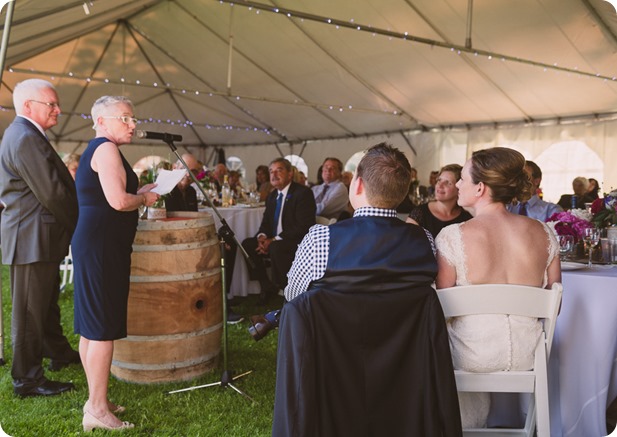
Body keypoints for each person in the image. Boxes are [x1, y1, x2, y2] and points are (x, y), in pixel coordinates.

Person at [272, 143, 461, 436]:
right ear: (401, 193)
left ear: (356, 184)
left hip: (329, 380)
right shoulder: (422, 239)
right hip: (404, 385)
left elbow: (294, 297)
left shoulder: (321, 238)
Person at [435, 147, 561, 429]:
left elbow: (442, 308)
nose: (457, 184)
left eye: (462, 179)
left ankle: (462, 428)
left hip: (470, 356)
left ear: (480, 188)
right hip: (528, 355)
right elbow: (556, 303)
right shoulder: (545, 232)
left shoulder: (452, 236)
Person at [72, 96, 159, 432]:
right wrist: (145, 198)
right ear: (102, 121)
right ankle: (96, 409)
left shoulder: (99, 148)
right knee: (102, 327)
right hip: (103, 245)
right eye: (125, 118)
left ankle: (98, 398)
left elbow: (115, 193)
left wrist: (144, 189)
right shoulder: (106, 149)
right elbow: (119, 201)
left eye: (132, 118)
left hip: (95, 242)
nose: (133, 124)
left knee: (90, 326)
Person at [0, 79, 81, 398]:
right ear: (28, 105)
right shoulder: (24, 137)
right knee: (29, 311)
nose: (59, 110)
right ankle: (27, 379)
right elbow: (52, 192)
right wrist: (79, 223)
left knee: (45, 303)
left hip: (37, 235)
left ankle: (57, 352)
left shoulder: (25, 134)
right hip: (31, 236)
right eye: (52, 104)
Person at [241, 158, 316, 304]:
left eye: (279, 170)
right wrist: (262, 238)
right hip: (277, 240)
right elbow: (266, 224)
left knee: (276, 247)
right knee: (248, 244)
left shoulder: (302, 193)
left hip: (298, 241)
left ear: (289, 174)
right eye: (271, 171)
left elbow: (303, 226)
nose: (274, 175)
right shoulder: (272, 196)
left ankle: (288, 291)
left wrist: (273, 240)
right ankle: (266, 285)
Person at [407, 164, 472, 237]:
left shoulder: (466, 219)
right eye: (439, 180)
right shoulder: (419, 214)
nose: (440, 185)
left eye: (447, 183)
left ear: (459, 187)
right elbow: (407, 245)